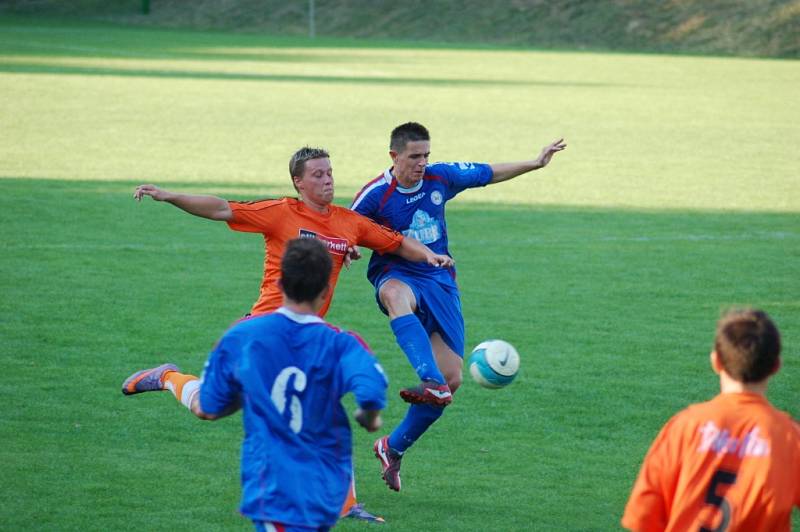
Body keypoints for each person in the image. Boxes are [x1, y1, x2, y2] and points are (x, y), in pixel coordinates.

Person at [127, 146, 453, 522]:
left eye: (330, 172)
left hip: (305, 337)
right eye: (317, 174)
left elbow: (395, 242)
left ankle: (348, 505)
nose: (327, 179)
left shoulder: (349, 223)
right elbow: (221, 208)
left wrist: (429, 255)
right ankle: (168, 377)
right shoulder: (280, 212)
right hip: (259, 332)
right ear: (298, 182)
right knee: (208, 409)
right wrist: (170, 196)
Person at [350, 122, 566, 491]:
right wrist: (349, 247)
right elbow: (346, 227)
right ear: (394, 156)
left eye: (426, 155)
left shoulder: (439, 178)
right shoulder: (374, 196)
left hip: (440, 280)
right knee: (395, 296)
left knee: (453, 380)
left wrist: (535, 162)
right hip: (396, 272)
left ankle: (392, 447)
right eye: (414, 156)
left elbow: (486, 173)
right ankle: (427, 378)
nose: (422, 163)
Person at [125, 238, 389, 530]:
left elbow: (213, 407)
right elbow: (372, 388)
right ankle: (167, 377)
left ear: (279, 284)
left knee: (204, 408)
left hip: (274, 485)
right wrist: (369, 415)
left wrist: (249, 390)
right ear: (327, 291)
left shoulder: (240, 337)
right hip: (313, 487)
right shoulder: (344, 343)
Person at [621, 309, 800, 531]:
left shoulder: (684, 427)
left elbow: (643, 517)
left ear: (716, 362)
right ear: (776, 366)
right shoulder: (790, 438)